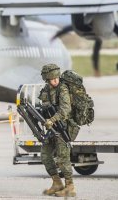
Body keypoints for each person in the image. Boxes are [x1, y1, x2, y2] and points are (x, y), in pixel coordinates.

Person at [39, 64, 79, 197]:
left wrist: (52, 119)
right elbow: (43, 107)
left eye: (57, 77)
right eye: (52, 79)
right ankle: (56, 182)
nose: (55, 80)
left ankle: (70, 186)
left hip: (63, 127)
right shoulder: (45, 90)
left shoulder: (62, 89)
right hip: (51, 128)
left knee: (63, 158)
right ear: (46, 79)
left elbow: (65, 110)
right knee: (45, 154)